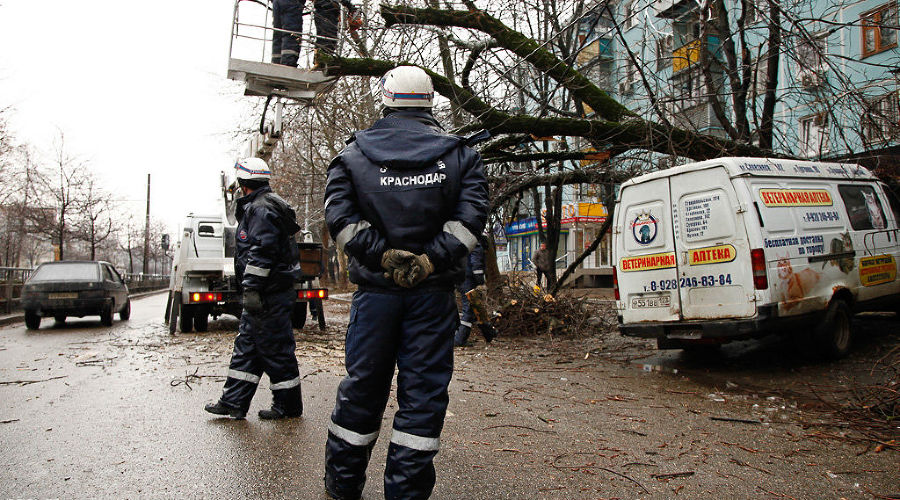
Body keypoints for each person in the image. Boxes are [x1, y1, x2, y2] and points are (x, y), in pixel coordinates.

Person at [323, 66, 489, 500]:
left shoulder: (353, 155)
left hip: (375, 298)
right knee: (423, 398)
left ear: (386, 100)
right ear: (430, 101)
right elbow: (470, 223)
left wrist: (381, 254)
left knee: (362, 390)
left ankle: (342, 486)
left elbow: (338, 219)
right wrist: (430, 261)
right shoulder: (461, 156)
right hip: (431, 301)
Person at [204, 157, 304, 420]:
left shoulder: (260, 210)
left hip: (268, 293)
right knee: (247, 346)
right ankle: (233, 401)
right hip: (267, 292)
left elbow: (261, 252)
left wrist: (251, 289)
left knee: (276, 348)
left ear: (242, 182)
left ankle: (288, 406)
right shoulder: (263, 206)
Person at [454, 235, 497, 347]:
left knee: (476, 307)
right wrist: (480, 281)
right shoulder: (476, 244)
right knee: (469, 309)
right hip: (468, 280)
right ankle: (460, 339)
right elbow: (476, 263)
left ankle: (489, 333)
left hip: (461, 279)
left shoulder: (464, 242)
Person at [272, 0, 304, 67]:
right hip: (292, 3)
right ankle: (288, 61)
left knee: (278, 33)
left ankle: (276, 61)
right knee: (291, 32)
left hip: (277, 2)